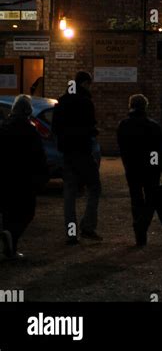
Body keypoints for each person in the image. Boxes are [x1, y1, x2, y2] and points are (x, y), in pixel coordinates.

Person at [52, 71, 102, 244]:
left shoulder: (62, 102)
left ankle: (71, 233)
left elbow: (55, 128)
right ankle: (87, 227)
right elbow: (91, 127)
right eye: (89, 84)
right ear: (84, 83)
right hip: (83, 151)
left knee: (69, 193)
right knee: (94, 187)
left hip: (67, 153)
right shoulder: (85, 102)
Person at [117, 94, 162, 247]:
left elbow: (122, 149)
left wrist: (127, 164)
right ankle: (141, 226)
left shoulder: (123, 125)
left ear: (130, 106)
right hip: (151, 169)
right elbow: (161, 151)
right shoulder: (153, 126)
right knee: (152, 199)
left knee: (136, 200)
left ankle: (139, 234)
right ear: (145, 107)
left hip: (132, 168)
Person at [0, 94, 49, 259]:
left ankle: (10, 245)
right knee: (27, 212)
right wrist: (42, 176)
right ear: (28, 111)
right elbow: (39, 157)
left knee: (8, 212)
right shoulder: (30, 131)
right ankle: (11, 239)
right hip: (24, 179)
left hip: (5, 178)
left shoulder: (3, 127)